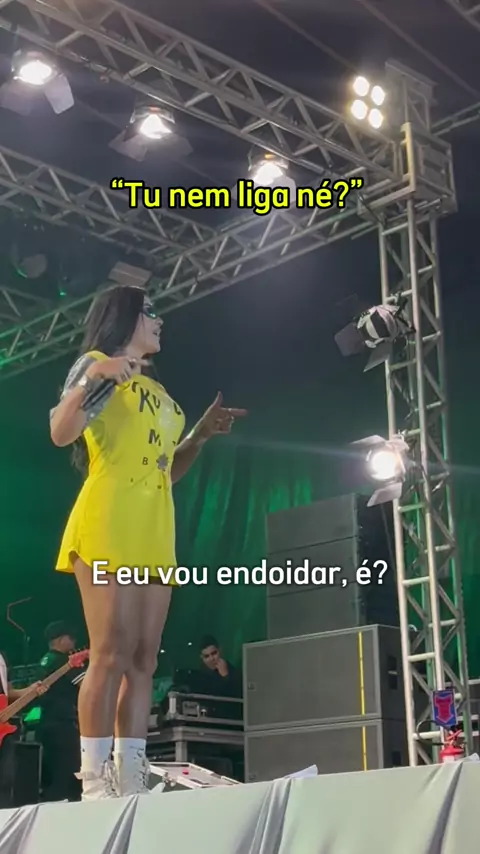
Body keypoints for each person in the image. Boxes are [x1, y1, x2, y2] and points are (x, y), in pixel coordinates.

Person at [49, 284, 247, 800]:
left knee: (143, 660)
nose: (160, 320)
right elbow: (61, 430)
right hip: (109, 517)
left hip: (155, 525)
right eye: (151, 311)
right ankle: (96, 782)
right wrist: (96, 377)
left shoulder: (155, 389)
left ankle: (131, 776)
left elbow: (166, 469)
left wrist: (199, 435)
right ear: (125, 317)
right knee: (109, 653)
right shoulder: (99, 365)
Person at [37, 621, 84, 802]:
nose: (73, 642)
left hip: (46, 722)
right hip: (64, 724)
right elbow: (85, 685)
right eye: (71, 638)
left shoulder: (44, 661)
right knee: (69, 771)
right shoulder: (65, 662)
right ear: (61, 639)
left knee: (52, 773)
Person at [0, 651, 47, 808]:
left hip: (3, 729)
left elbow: (7, 692)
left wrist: (28, 691)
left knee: (5, 780)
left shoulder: (2, 657)